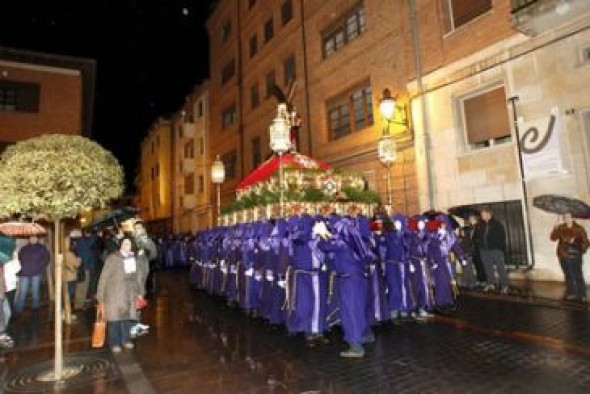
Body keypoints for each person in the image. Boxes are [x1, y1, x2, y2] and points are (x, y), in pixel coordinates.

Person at [96, 237, 147, 353]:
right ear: (120, 245)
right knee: (114, 320)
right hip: (114, 294)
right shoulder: (112, 258)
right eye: (124, 243)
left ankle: (126, 340)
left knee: (127, 319)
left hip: (130, 293)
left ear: (132, 246)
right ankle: (115, 342)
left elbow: (139, 277)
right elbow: (103, 277)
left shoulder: (134, 259)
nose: (126, 246)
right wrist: (100, 296)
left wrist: (140, 292)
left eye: (128, 244)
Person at [550, 212, 589, 302]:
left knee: (577, 274)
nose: (567, 219)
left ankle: (581, 294)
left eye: (569, 217)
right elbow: (553, 238)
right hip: (563, 255)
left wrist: (578, 249)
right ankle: (571, 293)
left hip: (575, 256)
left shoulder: (579, 229)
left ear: (573, 218)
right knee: (568, 275)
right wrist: (555, 227)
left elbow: (586, 243)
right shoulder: (560, 228)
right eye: (565, 217)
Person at [131, 220, 156, 337]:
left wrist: (145, 249)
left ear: (143, 229)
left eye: (139, 228)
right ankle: (133, 324)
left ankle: (137, 322)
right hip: (132, 273)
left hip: (142, 271)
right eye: (135, 228)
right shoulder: (130, 241)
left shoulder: (145, 240)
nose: (137, 230)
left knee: (140, 296)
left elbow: (153, 254)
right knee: (135, 296)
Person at [477, 207, 509, 294]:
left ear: (489, 214)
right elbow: (479, 237)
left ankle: (505, 286)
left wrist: (499, 248)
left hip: (495, 250)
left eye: (483, 215)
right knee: (488, 268)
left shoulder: (497, 224)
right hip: (484, 250)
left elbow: (502, 237)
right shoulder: (481, 225)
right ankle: (490, 283)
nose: (482, 217)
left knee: (500, 268)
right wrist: (480, 246)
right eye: (481, 215)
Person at [15, 236, 50, 314]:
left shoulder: (42, 248)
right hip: (24, 273)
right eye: (31, 238)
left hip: (36, 273)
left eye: (34, 238)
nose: (33, 239)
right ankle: (19, 309)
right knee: (22, 292)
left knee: (35, 291)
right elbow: (19, 258)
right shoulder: (24, 248)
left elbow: (47, 258)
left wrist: (40, 267)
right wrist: (23, 266)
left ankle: (35, 308)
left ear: (37, 239)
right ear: (29, 239)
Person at [63, 237, 82, 322]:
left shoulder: (62, 253)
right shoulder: (69, 254)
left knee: (66, 295)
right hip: (70, 277)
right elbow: (77, 264)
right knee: (70, 296)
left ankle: (65, 312)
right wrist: (79, 259)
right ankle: (68, 313)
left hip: (64, 276)